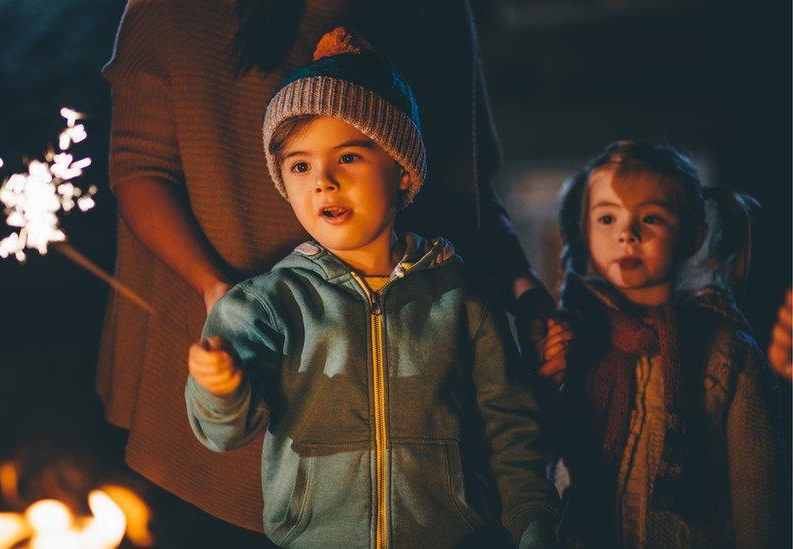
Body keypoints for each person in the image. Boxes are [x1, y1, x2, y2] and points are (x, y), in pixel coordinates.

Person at [98, 0, 556, 533]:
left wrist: (524, 290)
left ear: (405, 170)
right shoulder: (262, 308)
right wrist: (219, 304)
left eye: (349, 157)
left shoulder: (460, 301)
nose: (323, 183)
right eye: (299, 165)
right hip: (239, 424)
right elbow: (140, 166)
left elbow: (469, 181)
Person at [540, 141, 783, 547]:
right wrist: (546, 381)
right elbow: (531, 459)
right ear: (584, 233)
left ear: (692, 238)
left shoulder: (726, 352)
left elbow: (760, 501)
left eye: (650, 217)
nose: (627, 235)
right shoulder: (574, 342)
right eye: (606, 218)